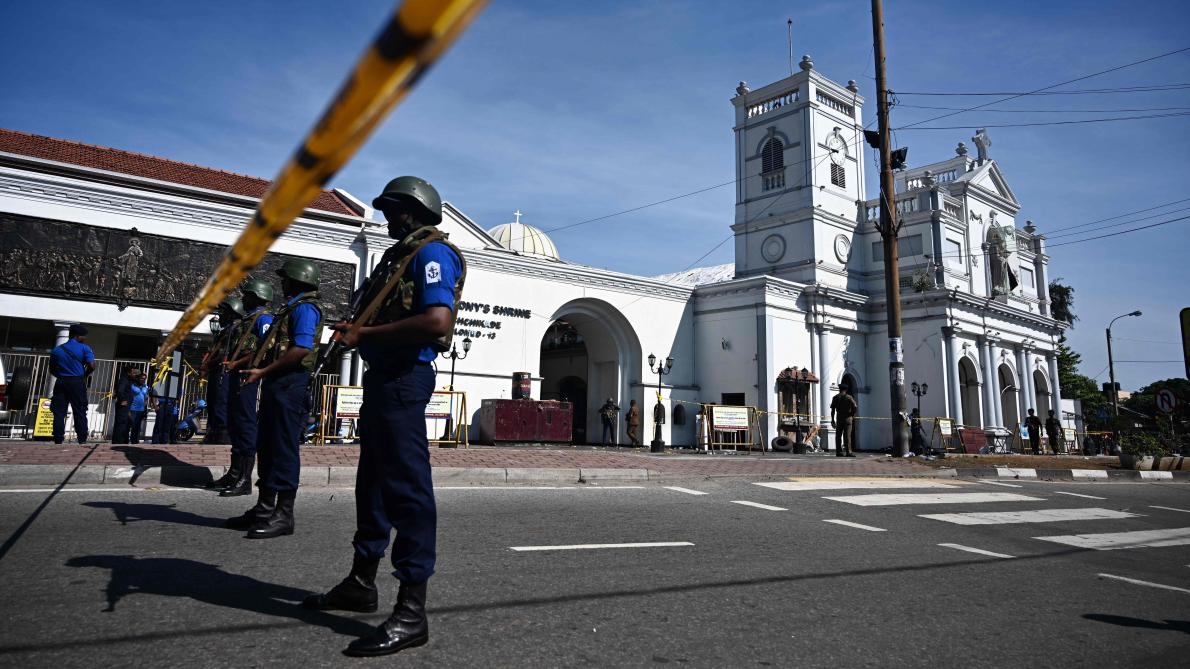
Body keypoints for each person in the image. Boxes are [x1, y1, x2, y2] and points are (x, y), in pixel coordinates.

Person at [303, 176, 465, 659]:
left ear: (412, 211)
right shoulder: (399, 258)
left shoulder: (431, 255)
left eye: (392, 210)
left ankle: (412, 611)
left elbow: (438, 321)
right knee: (371, 484)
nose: (388, 219)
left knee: (408, 491)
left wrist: (365, 335)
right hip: (384, 379)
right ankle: (360, 581)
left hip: (404, 381)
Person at [227, 261, 323, 539]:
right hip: (278, 383)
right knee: (267, 446)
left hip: (290, 384)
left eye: (286, 280)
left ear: (297, 281)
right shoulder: (291, 308)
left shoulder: (305, 308)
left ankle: (283, 514)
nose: (282, 285)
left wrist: (264, 371)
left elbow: (301, 349)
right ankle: (264, 508)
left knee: (283, 449)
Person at [211, 279, 274, 496]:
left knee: (246, 424)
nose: (243, 299)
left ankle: (245, 479)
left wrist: (237, 364)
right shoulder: (247, 319)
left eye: (247, 295)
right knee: (235, 423)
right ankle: (234, 472)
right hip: (237, 375)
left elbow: (266, 349)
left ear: (257, 296)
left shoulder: (263, 319)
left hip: (249, 377)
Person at [202, 297, 244, 444]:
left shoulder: (237, 329)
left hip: (225, 373)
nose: (220, 316)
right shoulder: (225, 331)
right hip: (217, 372)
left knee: (221, 406)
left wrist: (210, 363)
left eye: (224, 312)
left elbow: (226, 354)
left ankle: (221, 437)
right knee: (213, 404)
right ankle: (213, 432)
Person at [49, 324, 94, 444]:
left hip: (61, 381)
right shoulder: (85, 348)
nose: (85, 338)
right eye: (84, 336)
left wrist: (61, 376)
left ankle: (58, 439)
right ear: (78, 336)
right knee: (79, 410)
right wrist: (85, 375)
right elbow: (92, 366)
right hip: (77, 382)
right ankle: (82, 439)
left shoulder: (57, 350)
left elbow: (52, 369)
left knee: (59, 412)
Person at [110, 366, 139, 444]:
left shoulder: (128, 380)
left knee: (124, 423)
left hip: (126, 406)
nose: (134, 374)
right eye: (133, 372)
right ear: (128, 372)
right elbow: (119, 390)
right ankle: (117, 442)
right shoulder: (124, 380)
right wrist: (122, 400)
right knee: (121, 424)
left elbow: (137, 380)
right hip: (123, 406)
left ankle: (121, 441)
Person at [829, 385, 858, 457]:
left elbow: (832, 410)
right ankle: (849, 452)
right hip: (848, 418)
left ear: (839, 389)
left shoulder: (835, 397)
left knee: (838, 436)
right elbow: (855, 406)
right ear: (846, 390)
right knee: (847, 436)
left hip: (839, 418)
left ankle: (839, 452)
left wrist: (832, 420)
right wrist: (852, 414)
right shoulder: (849, 397)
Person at [128, 372, 150, 444]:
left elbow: (146, 398)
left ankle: (135, 440)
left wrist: (145, 407)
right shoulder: (132, 386)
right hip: (133, 408)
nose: (143, 380)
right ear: (138, 378)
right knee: (132, 425)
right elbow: (129, 396)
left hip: (141, 409)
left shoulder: (146, 387)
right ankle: (129, 439)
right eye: (141, 378)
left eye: (144, 379)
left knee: (137, 426)